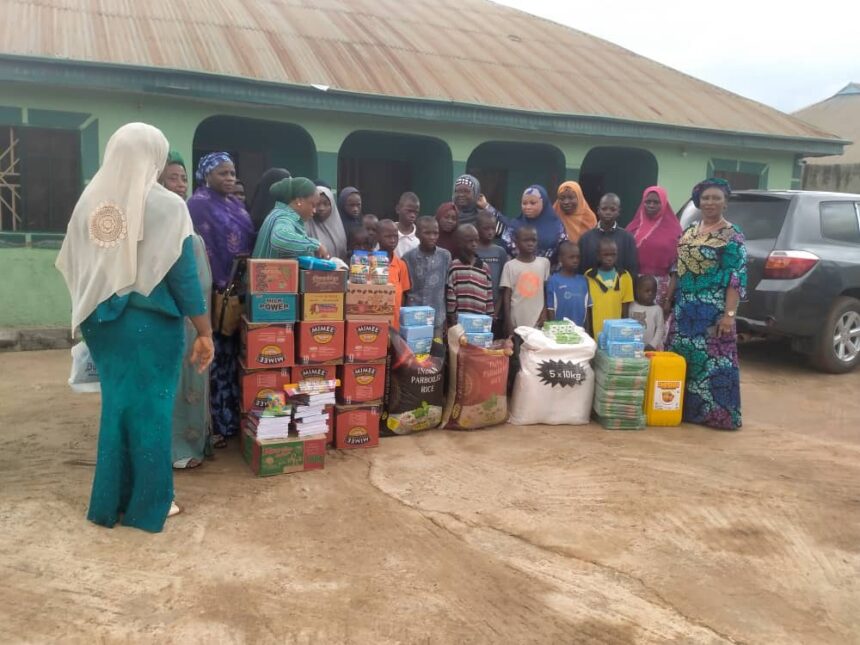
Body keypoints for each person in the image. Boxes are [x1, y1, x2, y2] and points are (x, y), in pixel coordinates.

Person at [55, 122, 214, 532]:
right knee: (154, 412)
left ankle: (109, 503)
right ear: (155, 157)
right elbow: (182, 277)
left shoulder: (90, 201)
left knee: (119, 409)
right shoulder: (167, 205)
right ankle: (150, 505)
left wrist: (93, 304)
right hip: (150, 323)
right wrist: (204, 331)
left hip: (103, 323)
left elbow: (74, 263)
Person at [187, 152, 255, 446]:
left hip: (236, 294)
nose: (229, 179)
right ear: (207, 175)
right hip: (212, 294)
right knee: (211, 362)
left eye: (232, 173)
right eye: (222, 173)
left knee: (230, 359)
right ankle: (212, 426)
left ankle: (230, 421)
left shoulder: (235, 205)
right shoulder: (197, 205)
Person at [670, 178, 747, 430]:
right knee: (685, 360)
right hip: (684, 310)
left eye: (716, 198)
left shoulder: (732, 235)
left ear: (725, 202)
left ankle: (717, 416)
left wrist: (730, 315)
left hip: (713, 310)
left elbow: (735, 278)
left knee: (713, 363)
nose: (710, 202)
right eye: (706, 198)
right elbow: (677, 269)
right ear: (698, 201)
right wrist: (667, 300)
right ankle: (682, 410)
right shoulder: (690, 230)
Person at [158, 153, 212, 470]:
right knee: (176, 383)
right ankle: (177, 449)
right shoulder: (159, 220)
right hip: (175, 315)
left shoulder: (183, 215)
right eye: (172, 178)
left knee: (197, 379)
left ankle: (196, 440)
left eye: (183, 178)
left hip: (197, 317)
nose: (180, 185)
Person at [626, 186, 682, 323]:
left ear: (664, 204)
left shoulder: (675, 231)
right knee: (632, 328)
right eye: (648, 201)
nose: (651, 205)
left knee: (656, 328)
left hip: (660, 290)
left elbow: (676, 270)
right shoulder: (632, 228)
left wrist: (668, 299)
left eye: (656, 202)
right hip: (633, 286)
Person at [253, 177, 327, 259]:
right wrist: (316, 245)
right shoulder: (284, 217)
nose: (314, 211)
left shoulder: (279, 213)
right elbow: (280, 238)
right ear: (299, 200)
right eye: (312, 205)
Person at [403, 216, 452, 338]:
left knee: (436, 352)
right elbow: (404, 291)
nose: (432, 237)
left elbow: (448, 288)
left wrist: (447, 318)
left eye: (435, 233)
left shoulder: (445, 256)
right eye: (427, 233)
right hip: (413, 317)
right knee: (414, 354)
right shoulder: (408, 258)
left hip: (437, 318)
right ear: (418, 234)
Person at [500, 226, 550, 336]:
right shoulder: (510, 266)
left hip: (537, 321)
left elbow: (546, 291)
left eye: (533, 240)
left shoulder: (544, 263)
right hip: (517, 320)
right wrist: (508, 322)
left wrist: (545, 312)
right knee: (518, 350)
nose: (530, 243)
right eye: (526, 240)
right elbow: (507, 297)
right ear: (516, 242)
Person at [445, 224, 495, 327]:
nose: (474, 244)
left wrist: (490, 316)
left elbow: (489, 294)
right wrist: (453, 318)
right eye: (470, 241)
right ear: (460, 243)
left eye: (476, 240)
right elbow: (451, 293)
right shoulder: (455, 266)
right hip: (460, 320)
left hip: (480, 320)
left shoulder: (484, 267)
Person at [584, 237, 634, 337]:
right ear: (598, 255)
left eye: (613, 255)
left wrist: (623, 331)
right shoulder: (589, 276)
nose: (609, 258)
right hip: (595, 331)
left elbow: (625, 309)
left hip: (615, 332)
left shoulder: (624, 276)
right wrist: (588, 332)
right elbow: (587, 309)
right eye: (606, 255)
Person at [503, 185, 567, 260]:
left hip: (549, 270)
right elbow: (506, 251)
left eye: (533, 203)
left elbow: (564, 250)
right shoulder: (514, 225)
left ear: (543, 203)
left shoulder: (557, 226)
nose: (528, 207)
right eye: (524, 203)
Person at [579, 193, 639, 274]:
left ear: (618, 212)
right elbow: (581, 268)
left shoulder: (627, 239)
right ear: (598, 210)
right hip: (592, 285)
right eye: (604, 209)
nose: (608, 212)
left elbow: (632, 268)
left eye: (613, 209)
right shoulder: (586, 238)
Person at [545, 241, 591, 329]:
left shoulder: (583, 280)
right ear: (560, 258)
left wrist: (587, 333)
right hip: (560, 333)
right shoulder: (553, 280)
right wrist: (554, 332)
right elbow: (550, 310)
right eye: (571, 257)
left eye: (578, 257)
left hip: (580, 332)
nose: (575, 260)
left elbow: (587, 310)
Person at [475, 209, 509, 326]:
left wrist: (497, 311)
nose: (490, 232)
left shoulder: (500, 252)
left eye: (493, 228)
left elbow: (503, 284)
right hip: (474, 309)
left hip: (495, 310)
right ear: (477, 228)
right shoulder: (472, 250)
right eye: (486, 228)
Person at [378, 219, 411, 331]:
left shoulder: (401, 265)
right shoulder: (368, 263)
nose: (392, 240)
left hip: (394, 324)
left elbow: (404, 294)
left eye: (395, 236)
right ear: (378, 237)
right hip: (374, 323)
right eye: (387, 236)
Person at [306, 185, 348, 261]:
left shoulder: (340, 229)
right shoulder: (305, 227)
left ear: (332, 205)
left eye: (326, 204)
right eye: (317, 204)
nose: (321, 208)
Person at [629, 275, 665, 351]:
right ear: (638, 291)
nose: (650, 294)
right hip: (632, 346)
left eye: (653, 291)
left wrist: (653, 344)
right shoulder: (631, 306)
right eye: (647, 291)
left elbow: (660, 329)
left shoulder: (657, 309)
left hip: (650, 348)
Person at [394, 192, 421, 257]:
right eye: (409, 211)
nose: (412, 215)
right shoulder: (387, 232)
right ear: (398, 209)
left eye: (416, 212)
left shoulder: (420, 237)